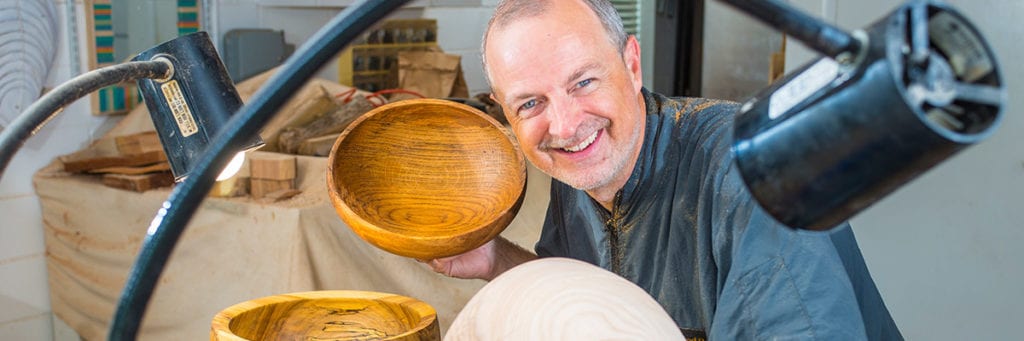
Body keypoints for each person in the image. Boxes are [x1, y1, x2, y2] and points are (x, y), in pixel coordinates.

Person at [424, 0, 903, 339]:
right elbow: (586, 305)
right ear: (504, 111)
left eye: (584, 81)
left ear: (631, 65)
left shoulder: (753, 175)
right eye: (531, 102)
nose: (566, 125)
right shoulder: (581, 174)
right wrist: (496, 261)